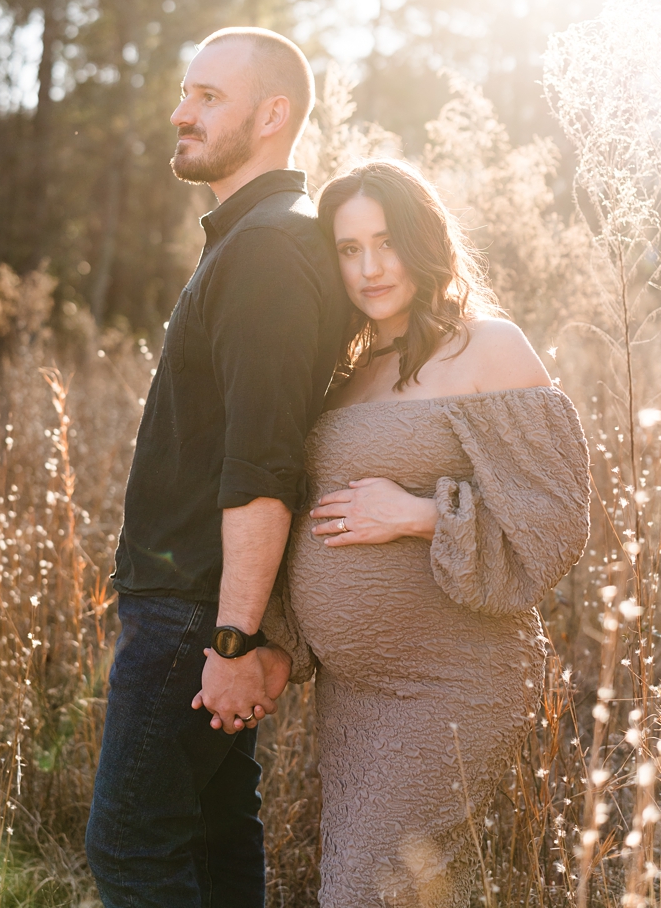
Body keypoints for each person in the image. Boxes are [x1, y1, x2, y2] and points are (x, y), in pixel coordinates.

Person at [255, 158, 589, 905]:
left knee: (362, 893)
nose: (370, 268)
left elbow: (556, 517)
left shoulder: (487, 347)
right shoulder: (345, 369)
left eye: (386, 242)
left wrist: (418, 513)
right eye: (348, 249)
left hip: (451, 683)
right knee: (381, 886)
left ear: (424, 241)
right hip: (354, 695)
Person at [84, 27, 351, 906]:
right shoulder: (254, 240)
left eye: (207, 97)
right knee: (212, 835)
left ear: (274, 116)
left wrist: (234, 639)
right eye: (186, 93)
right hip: (199, 599)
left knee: (132, 846)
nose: (180, 112)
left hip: (196, 605)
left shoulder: (270, 250)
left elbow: (262, 462)